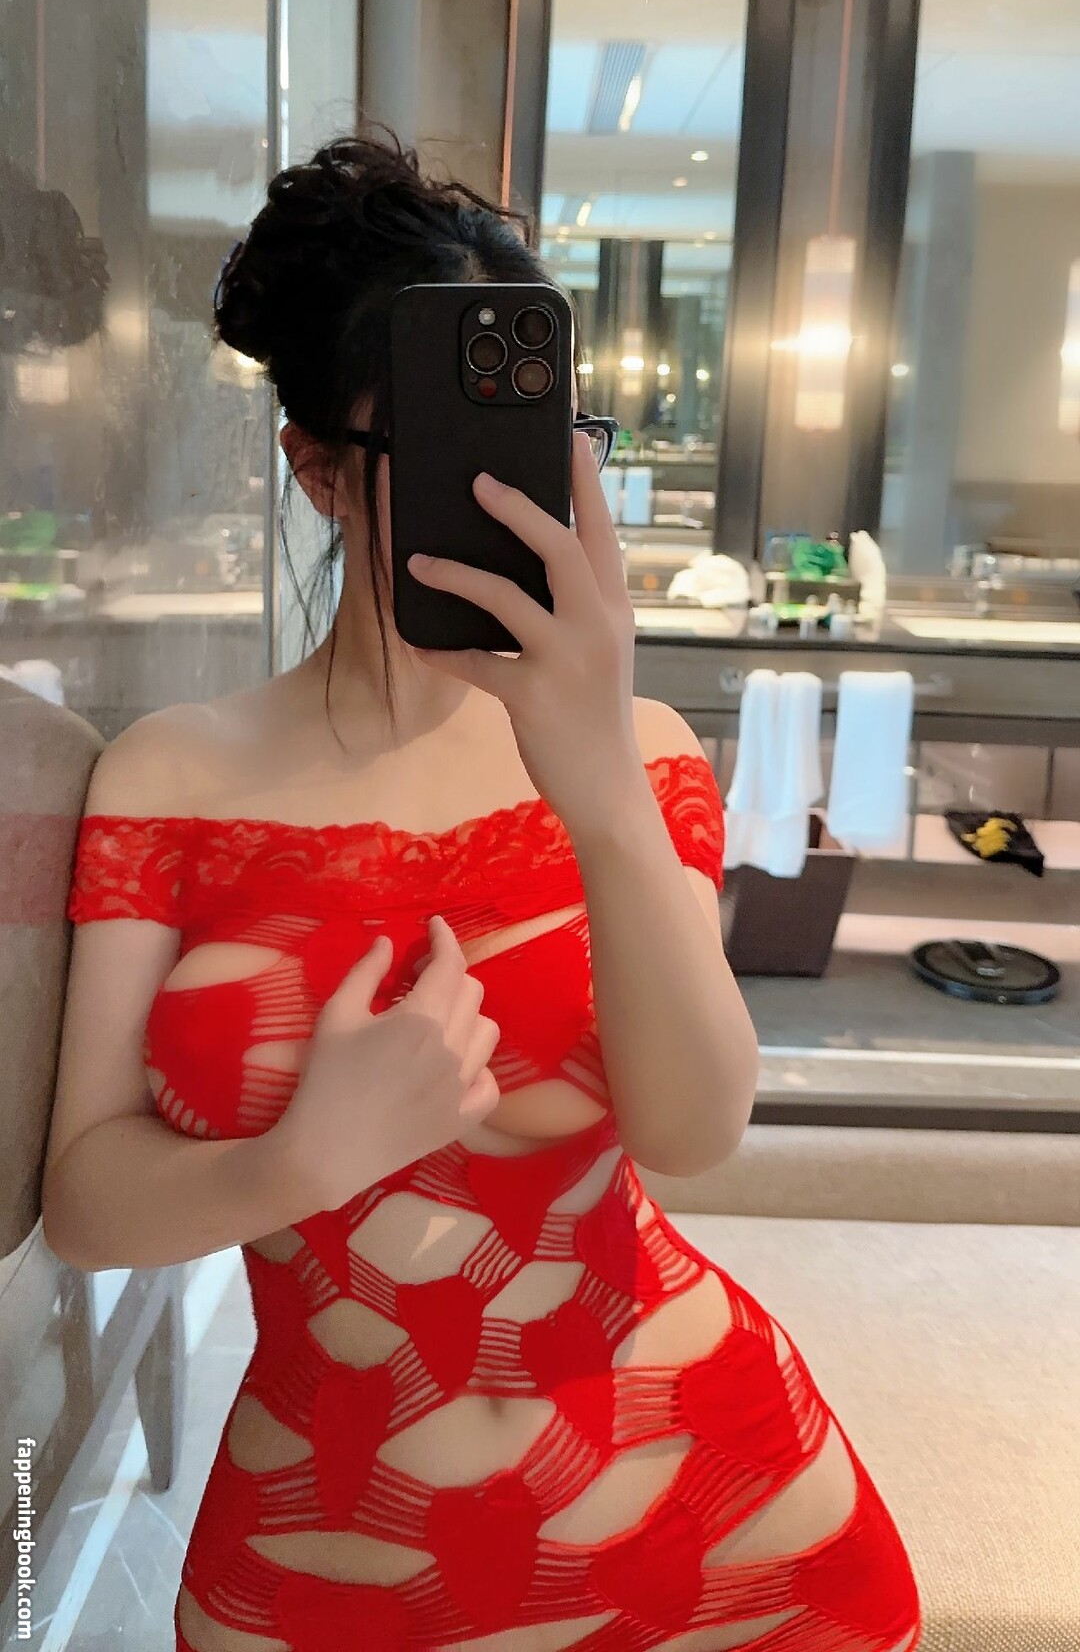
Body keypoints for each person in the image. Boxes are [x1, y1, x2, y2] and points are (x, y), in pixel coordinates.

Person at [42, 132, 922, 1652]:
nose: (509, 491)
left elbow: (696, 1132)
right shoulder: (168, 777)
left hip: (716, 1528)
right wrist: (299, 1160)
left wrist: (597, 775)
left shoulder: (640, 751)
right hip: (326, 1553)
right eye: (451, 446)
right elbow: (82, 1203)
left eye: (541, 439)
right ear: (318, 469)